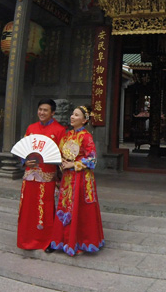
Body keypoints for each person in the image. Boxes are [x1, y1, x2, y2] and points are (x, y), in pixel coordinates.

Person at [47, 106, 105, 255]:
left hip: (82, 178)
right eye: (72, 114)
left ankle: (80, 241)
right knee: (64, 206)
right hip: (67, 177)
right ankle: (61, 241)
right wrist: (61, 161)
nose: (72, 117)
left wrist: (73, 164)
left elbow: (92, 159)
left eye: (76, 115)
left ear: (84, 120)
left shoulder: (86, 137)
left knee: (79, 208)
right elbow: (59, 152)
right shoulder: (67, 135)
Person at [17, 99, 66, 250]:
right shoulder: (31, 128)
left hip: (48, 177)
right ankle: (26, 238)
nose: (42, 113)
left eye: (45, 110)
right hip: (29, 176)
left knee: (45, 209)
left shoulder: (60, 130)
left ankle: (47, 240)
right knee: (27, 208)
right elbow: (23, 150)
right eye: (40, 109)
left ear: (53, 113)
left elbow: (64, 156)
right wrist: (24, 161)